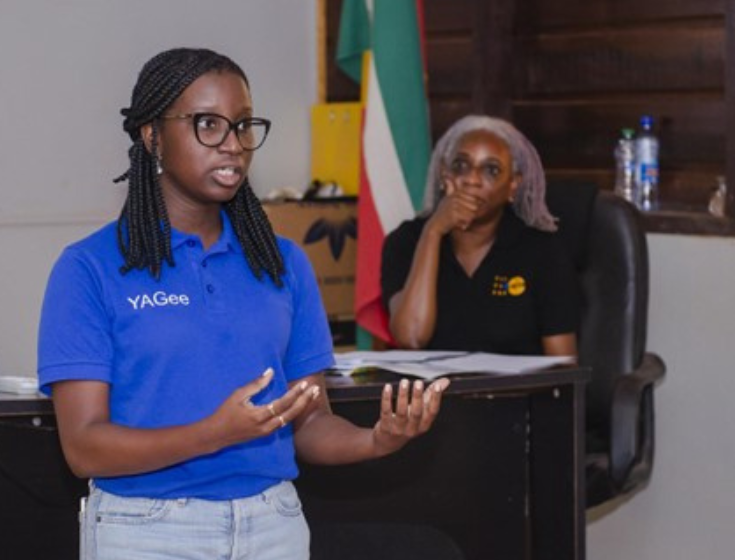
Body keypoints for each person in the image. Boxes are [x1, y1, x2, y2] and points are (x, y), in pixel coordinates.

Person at [37, 47, 449, 560]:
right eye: (208, 125)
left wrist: (378, 441)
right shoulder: (89, 268)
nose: (233, 145)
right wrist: (213, 434)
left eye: (243, 126)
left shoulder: (283, 263)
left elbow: (310, 423)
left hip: (273, 524)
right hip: (147, 529)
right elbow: (83, 447)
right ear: (151, 136)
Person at [380, 115, 579, 357]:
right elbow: (411, 336)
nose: (472, 179)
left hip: (517, 393)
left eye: (491, 170)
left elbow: (563, 366)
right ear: (444, 174)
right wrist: (433, 232)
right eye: (461, 166)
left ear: (513, 186)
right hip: (435, 394)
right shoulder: (406, 241)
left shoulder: (542, 249)